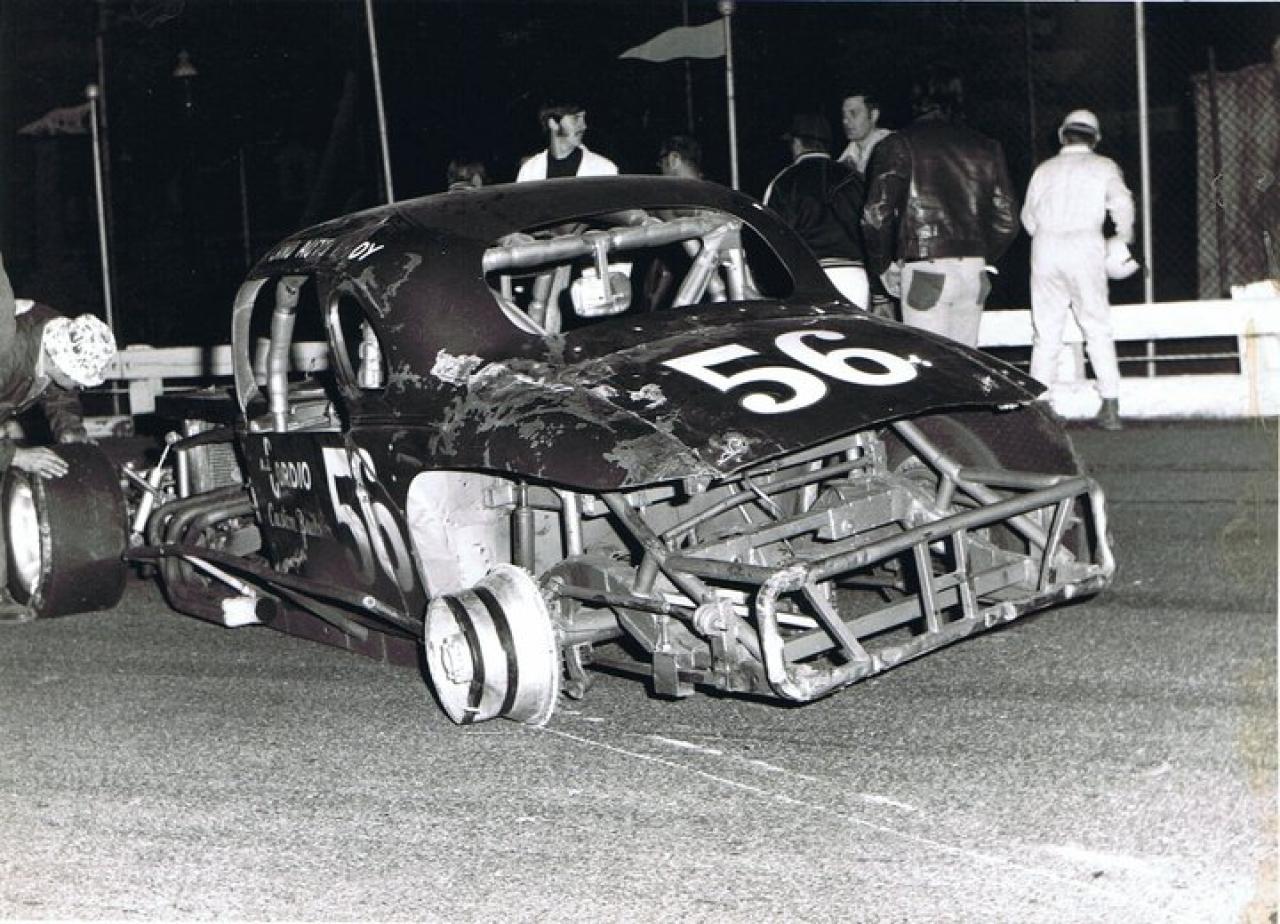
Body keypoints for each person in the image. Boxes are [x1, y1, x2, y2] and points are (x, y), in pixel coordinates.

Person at [861, 66, 1019, 346]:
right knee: (965, 362)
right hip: (973, 272)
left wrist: (883, 265)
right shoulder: (987, 146)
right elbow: (1007, 221)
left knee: (930, 362)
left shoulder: (898, 144)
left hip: (925, 269)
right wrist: (979, 253)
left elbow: (875, 215)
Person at [0, 252, 117, 621]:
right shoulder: (6, 353)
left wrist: (71, 433)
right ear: (56, 359)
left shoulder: (57, 331)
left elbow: (59, 391)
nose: (79, 385)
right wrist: (15, 455)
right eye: (77, 377)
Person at [1022, 109, 1135, 431]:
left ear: (1063, 135)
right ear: (1095, 139)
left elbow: (1028, 217)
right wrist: (1122, 238)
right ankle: (1110, 406)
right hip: (1085, 246)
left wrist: (1047, 235)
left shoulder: (1044, 169)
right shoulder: (1104, 166)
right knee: (1096, 325)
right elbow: (1123, 203)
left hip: (1046, 246)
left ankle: (1040, 408)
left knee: (1046, 331)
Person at [764, 113, 869, 309]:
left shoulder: (783, 182)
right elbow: (871, 232)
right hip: (855, 276)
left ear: (797, 144)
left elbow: (772, 240)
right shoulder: (855, 178)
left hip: (808, 277)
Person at [516, 101, 618, 182]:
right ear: (553, 123)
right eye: (576, 118)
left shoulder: (605, 170)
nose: (584, 126)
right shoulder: (529, 171)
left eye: (583, 118)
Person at [837, 90, 893, 177]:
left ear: (874, 115)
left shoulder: (892, 149)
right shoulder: (846, 158)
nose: (845, 121)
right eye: (844, 115)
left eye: (853, 114)